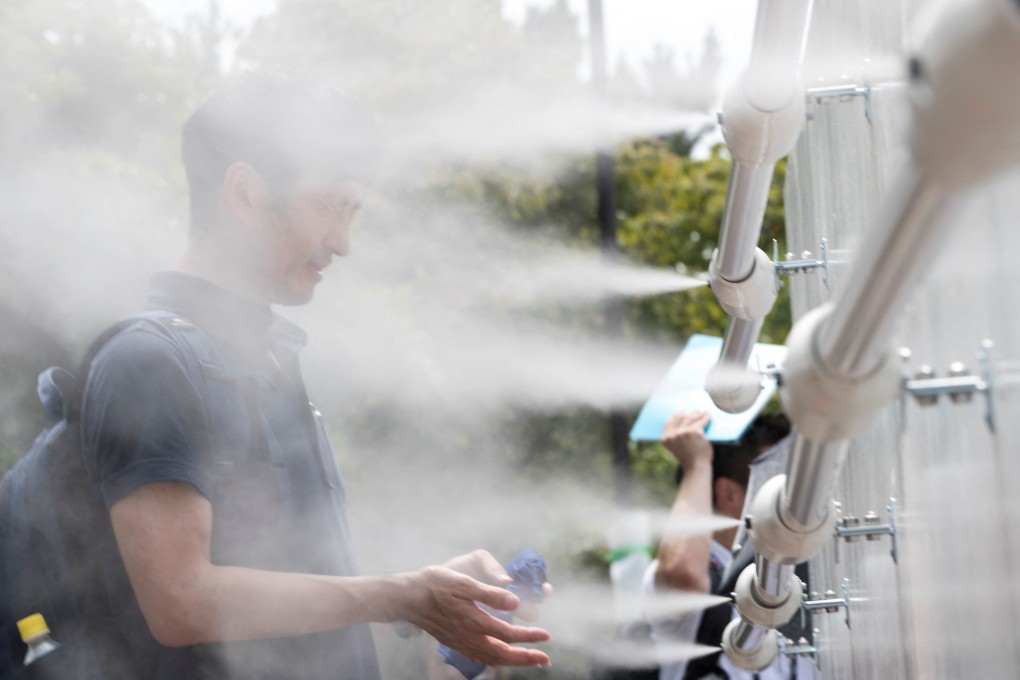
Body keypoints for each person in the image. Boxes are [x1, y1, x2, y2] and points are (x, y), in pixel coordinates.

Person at [78, 72, 551, 679]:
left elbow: (281, 598)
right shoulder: (147, 361)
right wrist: (398, 593)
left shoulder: (267, 358)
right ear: (246, 192)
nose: (344, 243)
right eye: (332, 204)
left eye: (354, 211)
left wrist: (426, 598)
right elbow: (182, 601)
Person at [646, 410, 812, 680]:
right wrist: (697, 465)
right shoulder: (695, 573)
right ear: (729, 494)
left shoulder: (802, 573)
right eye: (779, 483)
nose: (799, 499)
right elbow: (684, 578)